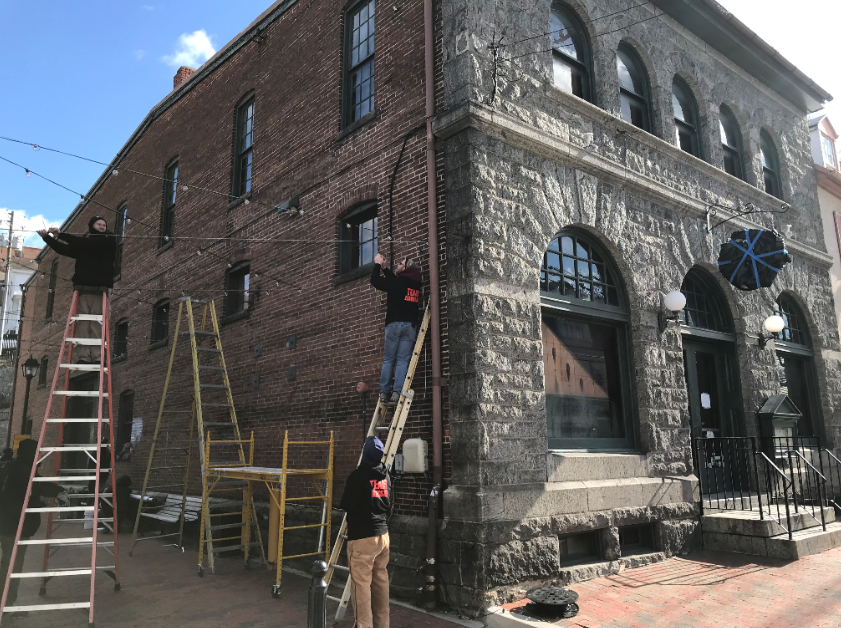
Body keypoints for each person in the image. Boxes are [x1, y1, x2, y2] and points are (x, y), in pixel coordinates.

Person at [38, 216, 117, 363]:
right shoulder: (85, 245)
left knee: (97, 323)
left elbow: (86, 243)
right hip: (83, 288)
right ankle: (84, 356)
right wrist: (47, 238)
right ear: (91, 226)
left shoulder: (108, 240)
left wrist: (60, 234)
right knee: (83, 324)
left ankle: (98, 356)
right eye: (99, 224)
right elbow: (64, 249)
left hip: (101, 289)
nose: (102, 226)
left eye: (104, 224)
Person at [0, 439, 64, 606]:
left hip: (7, 522)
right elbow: (35, 487)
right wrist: (59, 492)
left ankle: (5, 601)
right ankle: (5, 604)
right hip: (15, 525)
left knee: (8, 562)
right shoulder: (25, 471)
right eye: (38, 452)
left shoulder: (11, 466)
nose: (41, 455)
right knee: (12, 565)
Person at [340, 436, 392, 628]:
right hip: (383, 536)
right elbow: (388, 503)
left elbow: (346, 504)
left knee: (361, 585)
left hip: (362, 537)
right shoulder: (385, 475)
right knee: (380, 583)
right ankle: (382, 624)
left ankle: (364, 625)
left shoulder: (358, 476)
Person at [370, 253, 423, 403]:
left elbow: (375, 281)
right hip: (410, 327)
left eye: (400, 263)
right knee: (402, 361)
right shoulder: (415, 282)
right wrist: (386, 270)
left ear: (406, 267)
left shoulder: (398, 282)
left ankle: (384, 392)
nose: (398, 265)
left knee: (389, 360)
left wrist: (378, 265)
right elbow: (395, 283)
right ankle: (397, 393)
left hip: (393, 325)